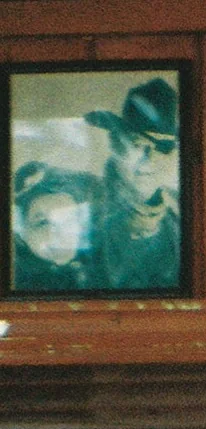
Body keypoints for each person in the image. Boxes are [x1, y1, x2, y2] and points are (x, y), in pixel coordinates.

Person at [83, 76, 180, 292]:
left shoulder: (181, 207)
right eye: (138, 144)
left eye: (164, 148)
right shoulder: (84, 204)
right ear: (116, 144)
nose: (151, 158)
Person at [10, 163, 96, 291]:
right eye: (42, 223)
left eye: (68, 220)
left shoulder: (102, 271)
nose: (56, 235)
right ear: (22, 231)